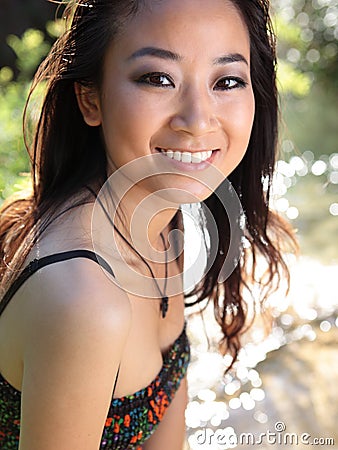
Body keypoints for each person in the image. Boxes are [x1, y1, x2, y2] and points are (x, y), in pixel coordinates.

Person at [0, 0, 296, 449]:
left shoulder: (157, 222)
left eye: (227, 81)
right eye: (158, 78)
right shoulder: (83, 297)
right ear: (90, 97)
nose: (197, 120)